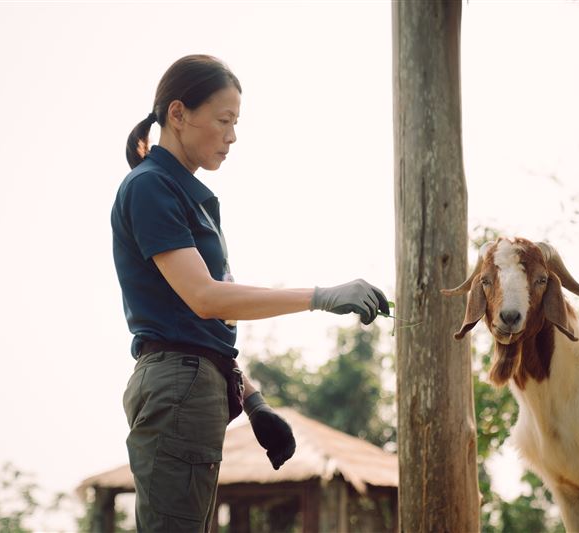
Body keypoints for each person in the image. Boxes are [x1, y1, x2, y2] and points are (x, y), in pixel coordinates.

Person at [111, 54, 389, 533]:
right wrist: (320, 296)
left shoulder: (188, 196)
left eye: (236, 122)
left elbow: (203, 327)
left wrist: (252, 399)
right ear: (177, 114)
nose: (232, 136)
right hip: (178, 388)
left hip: (198, 385)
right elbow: (206, 297)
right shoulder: (151, 187)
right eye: (223, 120)